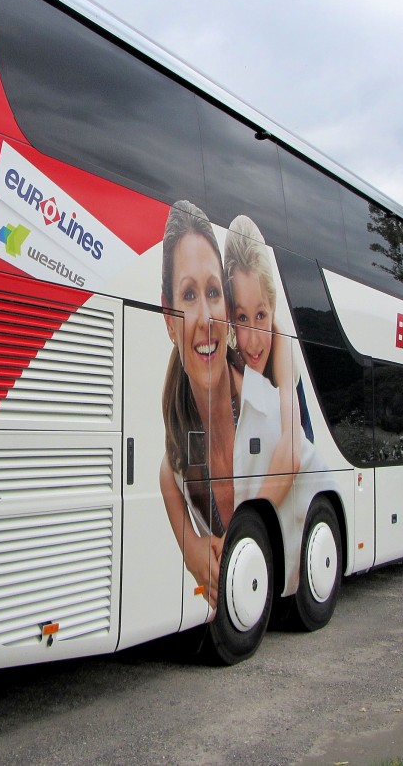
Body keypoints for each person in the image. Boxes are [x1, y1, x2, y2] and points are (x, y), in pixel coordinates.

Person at [157, 201, 242, 612]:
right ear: (168, 318)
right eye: (189, 295)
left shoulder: (266, 404)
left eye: (213, 292)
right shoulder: (176, 468)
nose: (206, 316)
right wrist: (193, 547)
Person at [223, 215, 303, 511]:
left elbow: (293, 453)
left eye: (261, 316)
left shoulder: (281, 347)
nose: (255, 342)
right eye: (242, 319)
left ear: (273, 309)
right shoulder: (225, 360)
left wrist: (248, 524)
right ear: (230, 316)